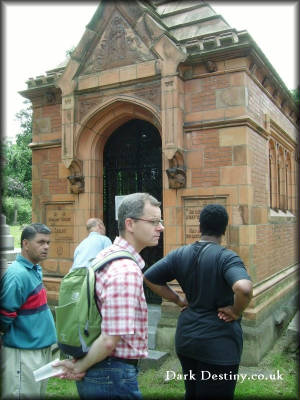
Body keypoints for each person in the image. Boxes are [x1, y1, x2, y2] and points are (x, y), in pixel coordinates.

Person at [55, 193, 164, 399]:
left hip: (103, 370)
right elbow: (108, 340)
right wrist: (79, 367)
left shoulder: (107, 255)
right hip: (111, 374)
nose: (161, 227)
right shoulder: (126, 270)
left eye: (160, 221)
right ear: (130, 224)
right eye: (154, 222)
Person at [144, 204, 253, 400]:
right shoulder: (226, 258)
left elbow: (150, 277)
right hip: (218, 345)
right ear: (224, 229)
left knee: (192, 394)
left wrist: (178, 300)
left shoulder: (179, 254)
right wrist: (235, 311)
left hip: (187, 341)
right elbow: (244, 289)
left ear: (200, 226)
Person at [0, 223, 57, 399]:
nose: (46, 247)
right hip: (23, 353)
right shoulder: (17, 275)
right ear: (25, 244)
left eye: (48, 242)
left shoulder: (33, 269)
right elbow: (4, 316)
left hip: (39, 350)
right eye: (40, 242)